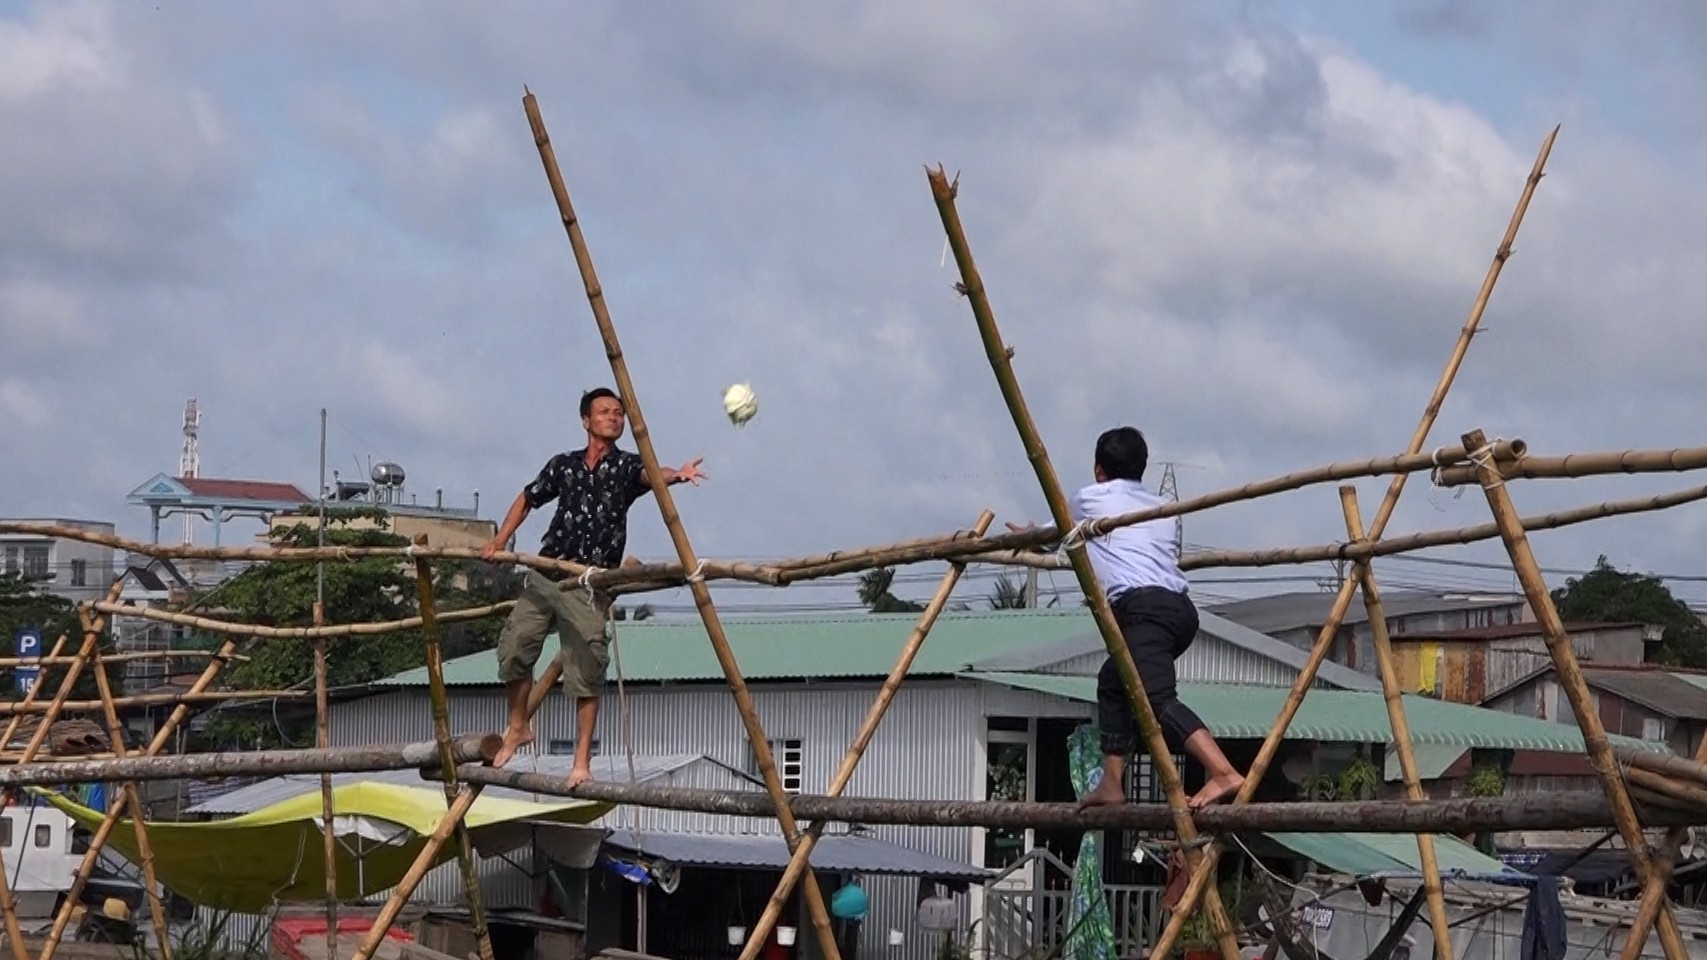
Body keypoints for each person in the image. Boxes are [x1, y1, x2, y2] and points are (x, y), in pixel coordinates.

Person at [480, 387, 706, 786]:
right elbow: (528, 498)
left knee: (585, 668)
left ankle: (580, 761)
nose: (613, 418)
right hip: (548, 572)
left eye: (618, 413)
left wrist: (678, 475)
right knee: (515, 649)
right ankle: (518, 726)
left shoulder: (625, 467)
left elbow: (654, 474)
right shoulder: (564, 465)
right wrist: (499, 542)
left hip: (589, 581)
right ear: (586, 420)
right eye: (605, 412)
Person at [1012, 426, 1245, 810]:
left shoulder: (1088, 499)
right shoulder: (1161, 510)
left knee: (1155, 700)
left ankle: (1222, 771)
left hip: (1144, 610)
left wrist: (1026, 535)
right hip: (1178, 611)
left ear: (1098, 469)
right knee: (1113, 682)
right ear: (1142, 468)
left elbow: (1054, 534)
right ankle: (1113, 782)